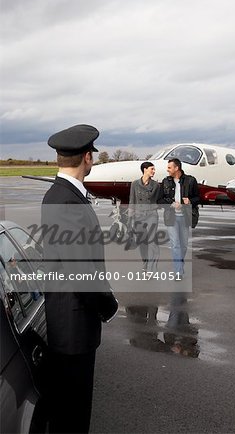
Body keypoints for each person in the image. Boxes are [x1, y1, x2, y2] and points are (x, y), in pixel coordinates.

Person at [41, 124, 118, 434]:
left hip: (69, 320)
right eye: (92, 156)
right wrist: (107, 305)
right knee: (73, 413)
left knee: (68, 409)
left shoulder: (62, 195)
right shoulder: (67, 201)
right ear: (88, 157)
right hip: (74, 325)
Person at [157, 158, 200, 279]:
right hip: (171, 218)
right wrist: (171, 203)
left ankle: (179, 263)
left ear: (177, 168)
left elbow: (198, 198)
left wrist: (190, 201)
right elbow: (159, 201)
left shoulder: (191, 180)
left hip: (185, 218)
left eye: (169, 167)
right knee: (175, 244)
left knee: (184, 245)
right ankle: (178, 272)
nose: (167, 169)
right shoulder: (165, 182)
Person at [128, 161, 160, 273]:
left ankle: (152, 266)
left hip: (151, 215)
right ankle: (146, 262)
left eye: (154, 169)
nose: (154, 171)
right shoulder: (134, 184)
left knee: (152, 241)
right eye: (152, 169)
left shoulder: (156, 185)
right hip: (138, 216)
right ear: (145, 169)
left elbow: (157, 200)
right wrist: (130, 220)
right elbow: (132, 201)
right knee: (142, 242)